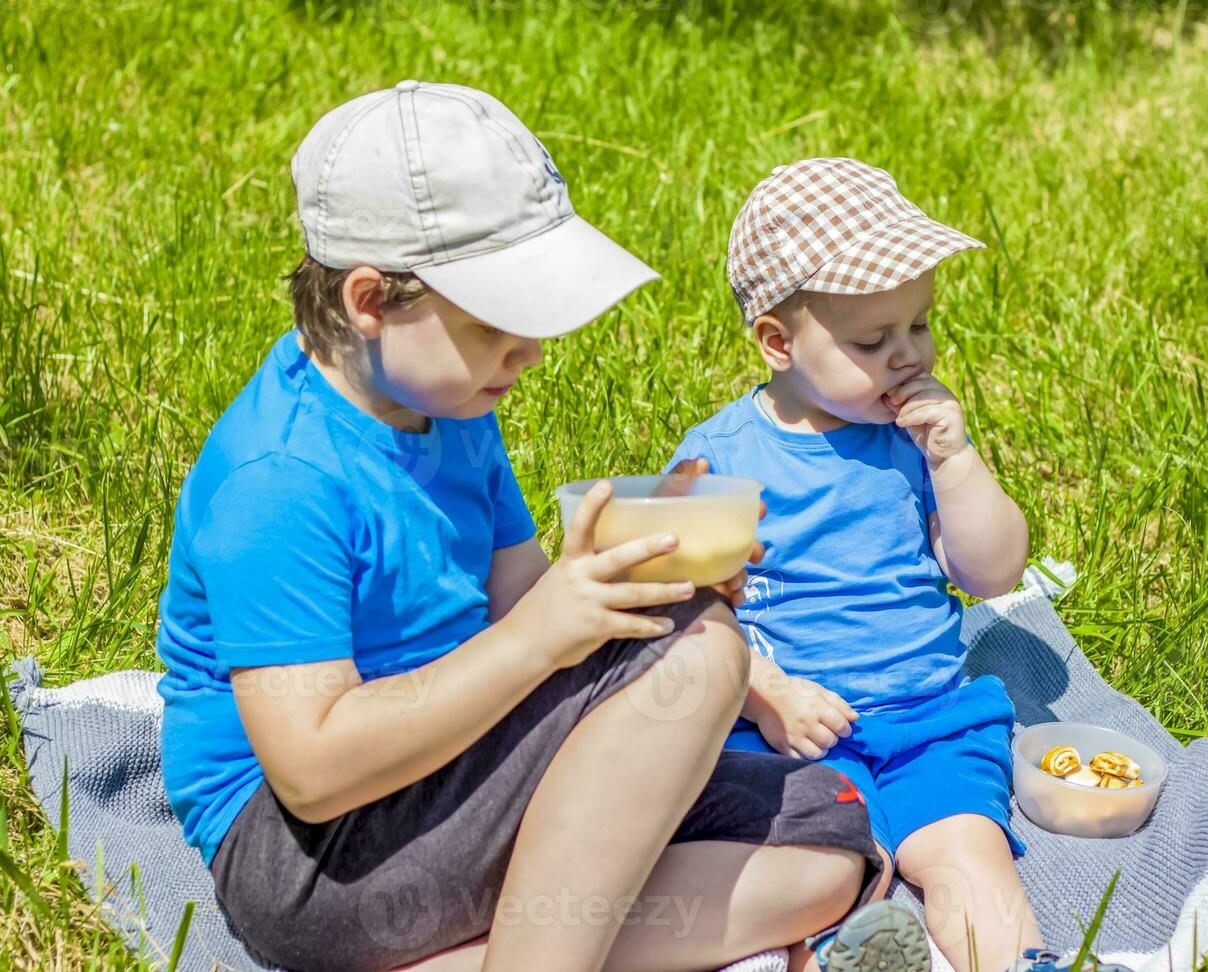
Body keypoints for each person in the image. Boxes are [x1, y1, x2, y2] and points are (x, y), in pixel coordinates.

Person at [153, 84, 908, 972]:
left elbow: (522, 594)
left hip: (455, 778)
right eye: (495, 327)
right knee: (700, 653)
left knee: (827, 832)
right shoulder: (279, 481)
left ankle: (501, 947)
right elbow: (313, 774)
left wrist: (637, 568)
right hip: (316, 859)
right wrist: (555, 636)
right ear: (369, 300)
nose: (532, 353)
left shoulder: (446, 398)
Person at [665, 158, 1047, 972]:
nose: (908, 354)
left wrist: (957, 461)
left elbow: (995, 572)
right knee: (810, 871)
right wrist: (766, 696)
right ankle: (839, 952)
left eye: (920, 324)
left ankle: (1022, 962)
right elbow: (685, 615)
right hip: (790, 736)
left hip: (927, 720)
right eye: (873, 340)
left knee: (967, 856)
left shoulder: (916, 437)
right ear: (776, 341)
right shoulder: (721, 456)